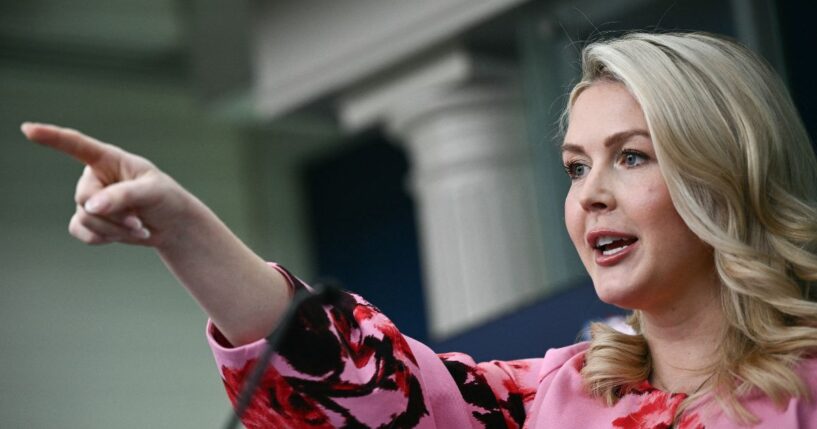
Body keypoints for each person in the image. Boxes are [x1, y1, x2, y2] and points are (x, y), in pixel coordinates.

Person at [22, 31, 817, 428]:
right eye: (575, 168)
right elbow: (367, 385)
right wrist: (179, 227)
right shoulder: (546, 402)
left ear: (723, 170)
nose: (591, 196)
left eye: (631, 156)